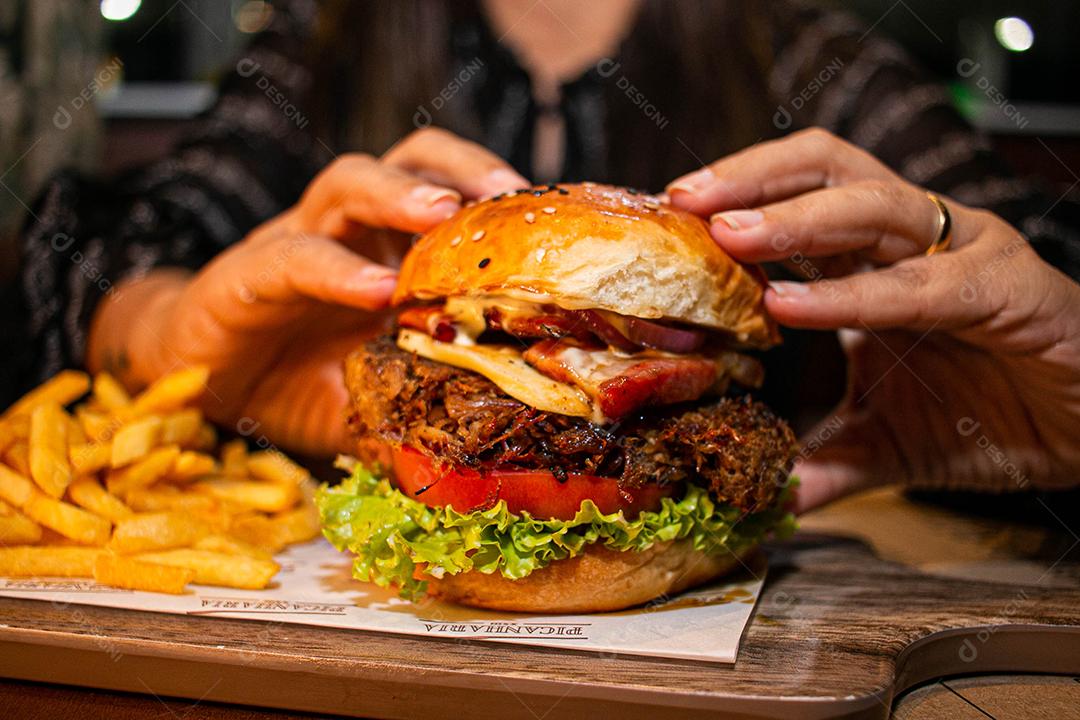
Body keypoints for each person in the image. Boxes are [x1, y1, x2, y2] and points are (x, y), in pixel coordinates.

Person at [9, 0, 1080, 513]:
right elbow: (86, 245)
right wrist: (162, 331)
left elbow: (1031, 256)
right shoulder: (332, 42)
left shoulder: (807, 51)